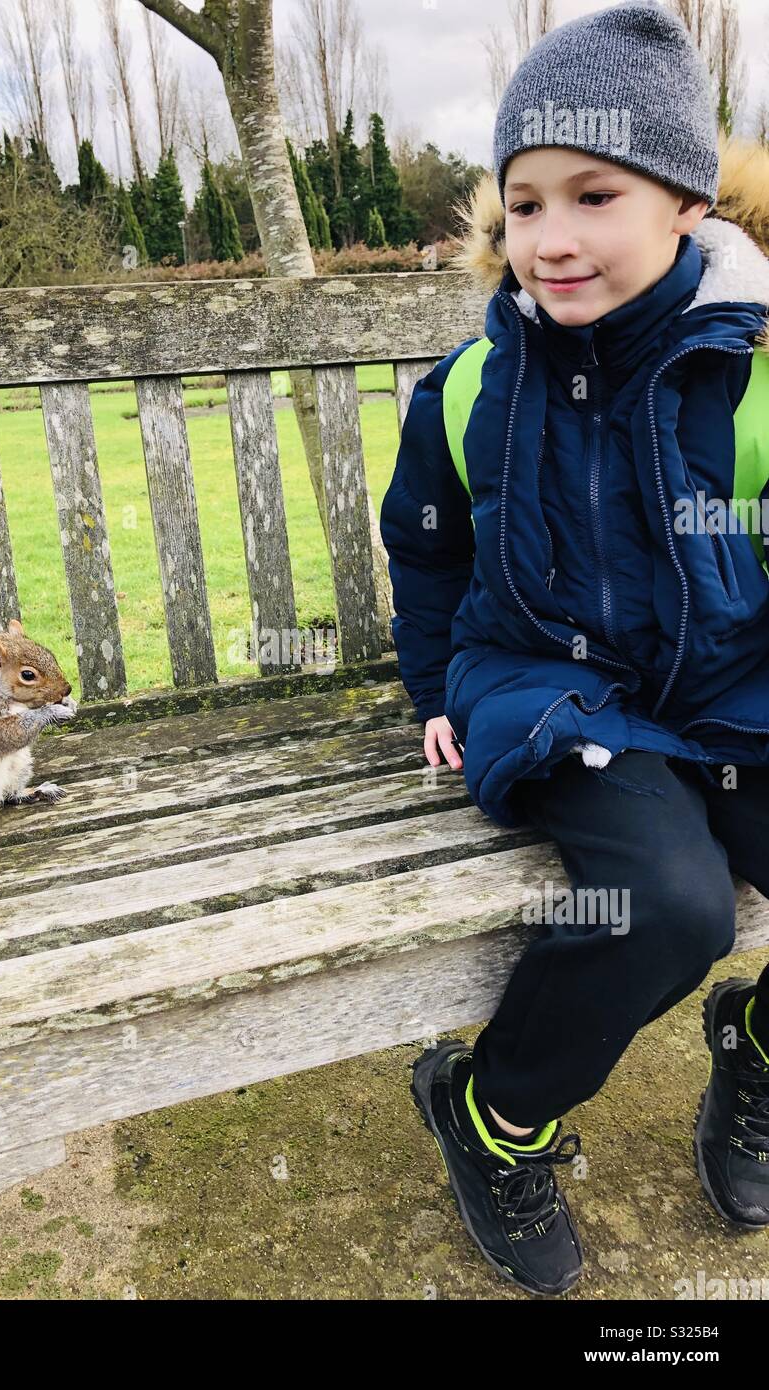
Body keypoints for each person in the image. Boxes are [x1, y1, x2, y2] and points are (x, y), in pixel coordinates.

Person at [381, 0, 769, 1297]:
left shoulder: (752, 373)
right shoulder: (475, 385)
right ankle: (494, 1114)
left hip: (721, 681)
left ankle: (757, 1051)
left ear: (684, 207)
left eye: (591, 195)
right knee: (669, 903)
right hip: (550, 684)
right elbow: (429, 544)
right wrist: (435, 684)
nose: (549, 237)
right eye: (524, 202)